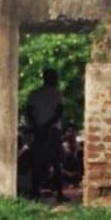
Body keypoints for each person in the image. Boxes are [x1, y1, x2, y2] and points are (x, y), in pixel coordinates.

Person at [26, 69, 65, 202]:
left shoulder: (34, 94)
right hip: (53, 131)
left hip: (38, 131)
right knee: (56, 163)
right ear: (52, 79)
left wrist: (37, 126)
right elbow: (59, 112)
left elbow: (29, 112)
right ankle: (59, 193)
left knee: (37, 162)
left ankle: (35, 192)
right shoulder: (57, 94)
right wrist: (48, 125)